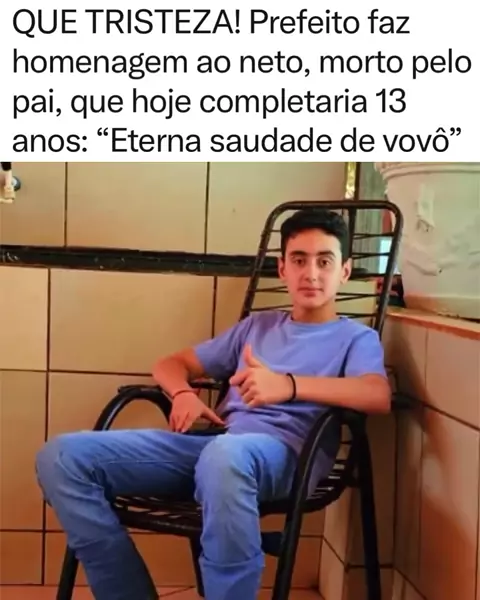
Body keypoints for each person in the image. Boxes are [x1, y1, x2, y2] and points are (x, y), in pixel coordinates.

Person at [35, 208, 391, 600]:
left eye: (324, 261)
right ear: (282, 268)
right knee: (62, 458)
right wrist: (183, 394)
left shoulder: (355, 339)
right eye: (299, 260)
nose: (311, 273)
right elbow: (171, 364)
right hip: (214, 448)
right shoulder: (257, 327)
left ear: (344, 271)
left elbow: (376, 394)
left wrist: (287, 386)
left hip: (287, 456)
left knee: (224, 457)